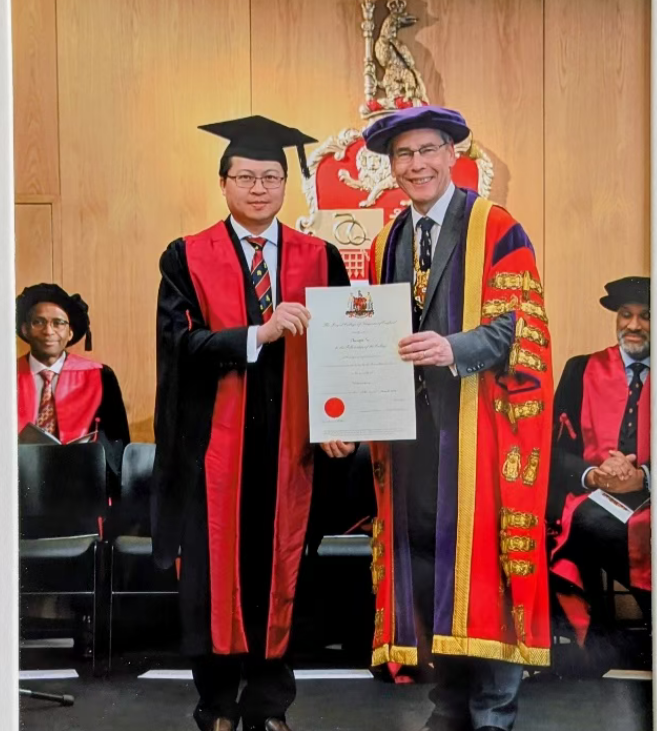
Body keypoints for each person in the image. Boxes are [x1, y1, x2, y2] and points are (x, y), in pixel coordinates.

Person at [325, 105, 553, 731]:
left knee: (486, 572)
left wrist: (453, 348)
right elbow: (370, 346)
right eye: (404, 154)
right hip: (412, 444)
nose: (416, 164)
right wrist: (346, 413)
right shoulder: (386, 241)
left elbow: (517, 328)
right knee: (432, 572)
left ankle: (493, 712)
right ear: (391, 166)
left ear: (453, 155)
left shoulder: (496, 227)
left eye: (428, 150)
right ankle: (449, 705)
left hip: (478, 431)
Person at [152, 115, 350, 731]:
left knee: (283, 574)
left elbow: (344, 348)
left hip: (292, 447)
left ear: (286, 184)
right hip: (216, 449)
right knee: (213, 582)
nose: (259, 188)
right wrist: (255, 335)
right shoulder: (186, 255)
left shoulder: (321, 256)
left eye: (270, 177)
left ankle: (269, 709)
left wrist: (344, 420)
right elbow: (179, 344)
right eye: (245, 177)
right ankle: (216, 706)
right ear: (223, 183)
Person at [549, 276, 651, 664]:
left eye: (645, 316)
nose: (634, 325)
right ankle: (598, 634)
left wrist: (644, 476)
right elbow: (555, 450)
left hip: (649, 497)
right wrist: (594, 474)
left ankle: (611, 639)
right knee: (583, 519)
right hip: (594, 493)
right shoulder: (582, 370)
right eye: (626, 315)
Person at [16, 283, 130, 480]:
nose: (48, 331)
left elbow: (116, 444)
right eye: (38, 322)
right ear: (25, 329)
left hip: (82, 483)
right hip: (21, 481)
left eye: (58, 323)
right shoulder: (7, 375)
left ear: (70, 333)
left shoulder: (100, 375)